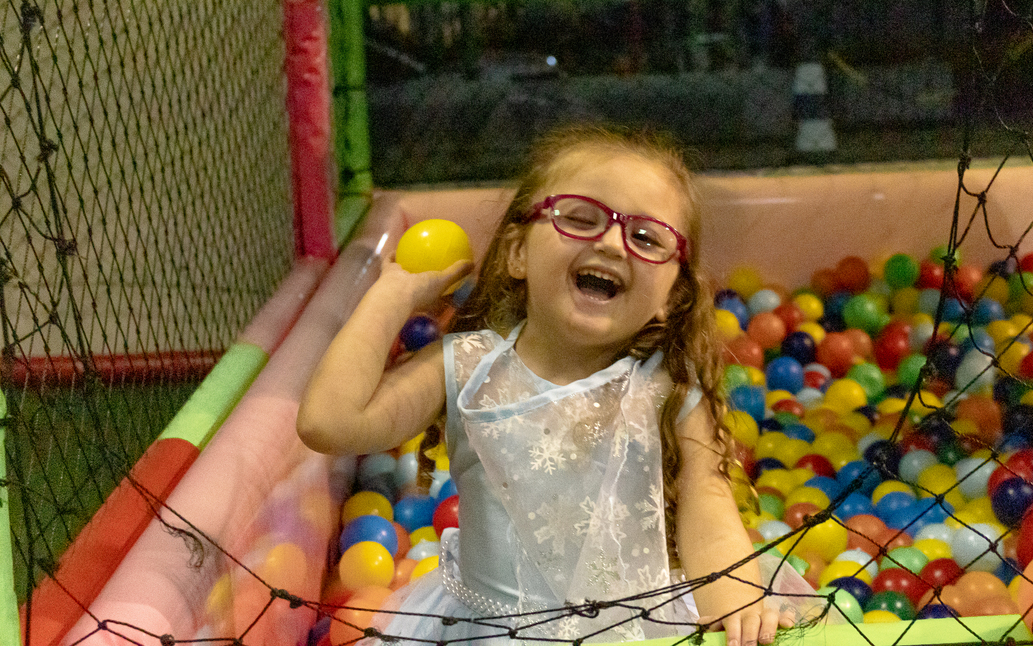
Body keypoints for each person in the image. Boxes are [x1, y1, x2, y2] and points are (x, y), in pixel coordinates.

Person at [298, 125, 827, 645]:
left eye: (646, 238)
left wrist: (733, 607)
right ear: (517, 253)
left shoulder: (667, 390)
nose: (613, 243)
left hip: (636, 631)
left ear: (672, 294)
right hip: (496, 632)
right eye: (580, 218)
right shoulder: (466, 367)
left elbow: (709, 517)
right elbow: (329, 421)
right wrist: (393, 293)